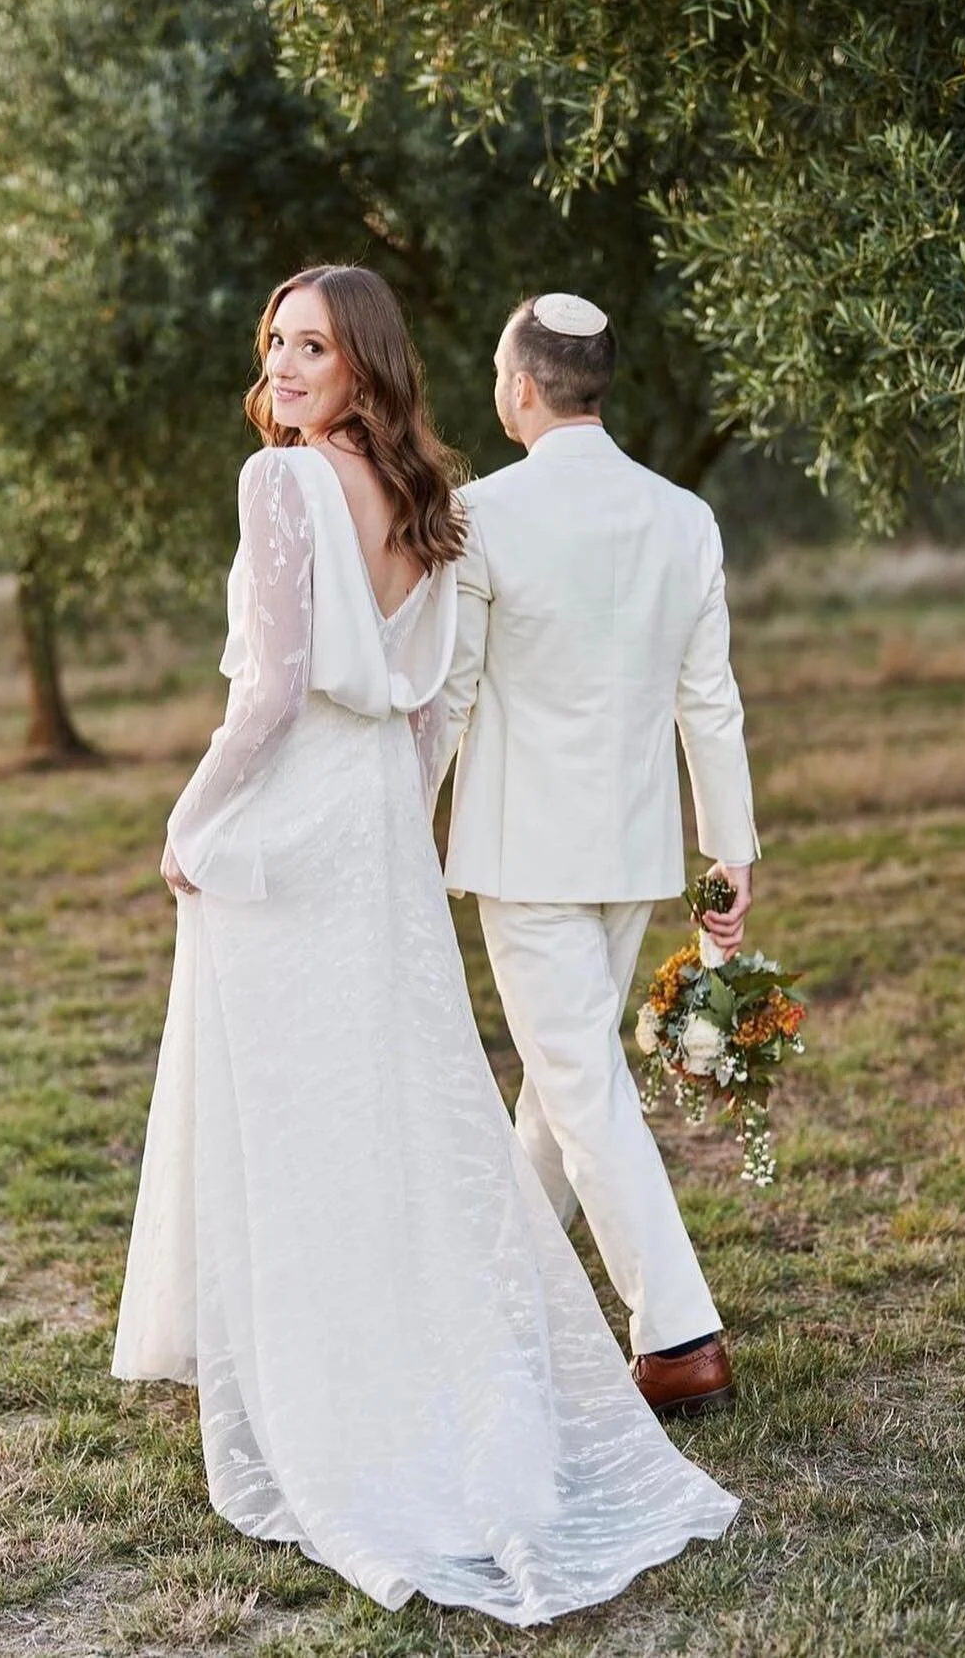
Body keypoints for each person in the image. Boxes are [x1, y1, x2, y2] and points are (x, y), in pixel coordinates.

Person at [111, 265, 737, 1624]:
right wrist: (397, 817)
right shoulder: (430, 501)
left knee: (303, 1100)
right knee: (395, 1100)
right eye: (273, 337)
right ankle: (437, 1352)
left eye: (313, 345)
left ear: (363, 363)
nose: (282, 363)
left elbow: (272, 690)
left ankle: (357, 1378)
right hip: (386, 822)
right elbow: (426, 712)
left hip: (296, 812)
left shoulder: (280, 485)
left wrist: (192, 813)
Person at [431, 292, 762, 1420]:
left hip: (524, 852)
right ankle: (492, 1296)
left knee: (578, 1082)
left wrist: (396, 811)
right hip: (632, 851)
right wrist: (730, 854)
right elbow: (706, 702)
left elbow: (454, 691)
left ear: (522, 386)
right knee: (562, 1087)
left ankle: (678, 1333)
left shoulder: (478, 514)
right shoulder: (683, 516)